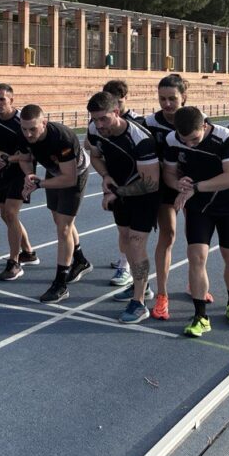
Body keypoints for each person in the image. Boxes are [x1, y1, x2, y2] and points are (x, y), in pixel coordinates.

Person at [163, 106, 229, 338]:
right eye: (184, 141)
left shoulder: (225, 137)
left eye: (194, 139)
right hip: (199, 206)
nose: (189, 145)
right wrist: (178, 184)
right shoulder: (172, 139)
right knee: (196, 257)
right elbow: (169, 173)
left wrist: (196, 187)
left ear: (205, 125)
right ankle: (200, 316)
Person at [85, 92, 160, 323]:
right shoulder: (95, 129)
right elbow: (95, 156)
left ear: (116, 112)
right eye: (95, 119)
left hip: (144, 196)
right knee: (126, 239)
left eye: (104, 119)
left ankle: (139, 303)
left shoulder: (140, 139)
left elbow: (151, 183)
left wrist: (116, 193)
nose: (99, 125)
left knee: (136, 244)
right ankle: (142, 285)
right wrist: (106, 175)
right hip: (119, 192)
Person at [19, 104, 92, 303]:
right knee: (58, 219)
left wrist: (40, 184)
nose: (28, 134)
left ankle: (60, 284)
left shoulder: (62, 138)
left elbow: (69, 178)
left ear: (44, 123)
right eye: (24, 129)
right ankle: (81, 261)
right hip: (53, 171)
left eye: (33, 129)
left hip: (75, 173)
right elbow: (25, 158)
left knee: (64, 228)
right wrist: (29, 175)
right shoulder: (24, 133)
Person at [144, 74, 189, 319]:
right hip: (164, 185)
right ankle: (162, 294)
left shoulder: (196, 120)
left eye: (172, 98)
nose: (167, 104)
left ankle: (196, 283)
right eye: (162, 99)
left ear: (184, 97)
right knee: (168, 234)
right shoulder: (150, 123)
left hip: (192, 185)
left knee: (197, 236)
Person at [0, 83, 38, 281]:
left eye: (2, 99)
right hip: (4, 170)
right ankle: (28, 253)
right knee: (5, 214)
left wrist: (6, 159)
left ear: (11, 100)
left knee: (10, 213)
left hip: (23, 170)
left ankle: (14, 262)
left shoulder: (22, 120)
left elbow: (30, 153)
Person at [103, 78, 146, 288]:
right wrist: (105, 175)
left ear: (126, 98)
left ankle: (141, 283)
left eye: (119, 102)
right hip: (118, 187)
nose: (116, 107)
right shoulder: (102, 124)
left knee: (136, 240)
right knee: (124, 233)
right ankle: (127, 266)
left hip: (142, 190)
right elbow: (93, 149)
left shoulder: (140, 123)